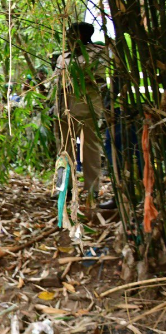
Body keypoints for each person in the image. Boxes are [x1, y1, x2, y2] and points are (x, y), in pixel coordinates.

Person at [52, 22, 107, 202]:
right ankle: (62, 189)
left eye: (71, 35)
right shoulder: (62, 57)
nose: (68, 39)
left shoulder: (99, 53)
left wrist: (74, 77)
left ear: (82, 35)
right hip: (65, 109)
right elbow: (56, 83)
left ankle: (93, 190)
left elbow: (98, 79)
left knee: (90, 150)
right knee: (64, 151)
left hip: (87, 108)